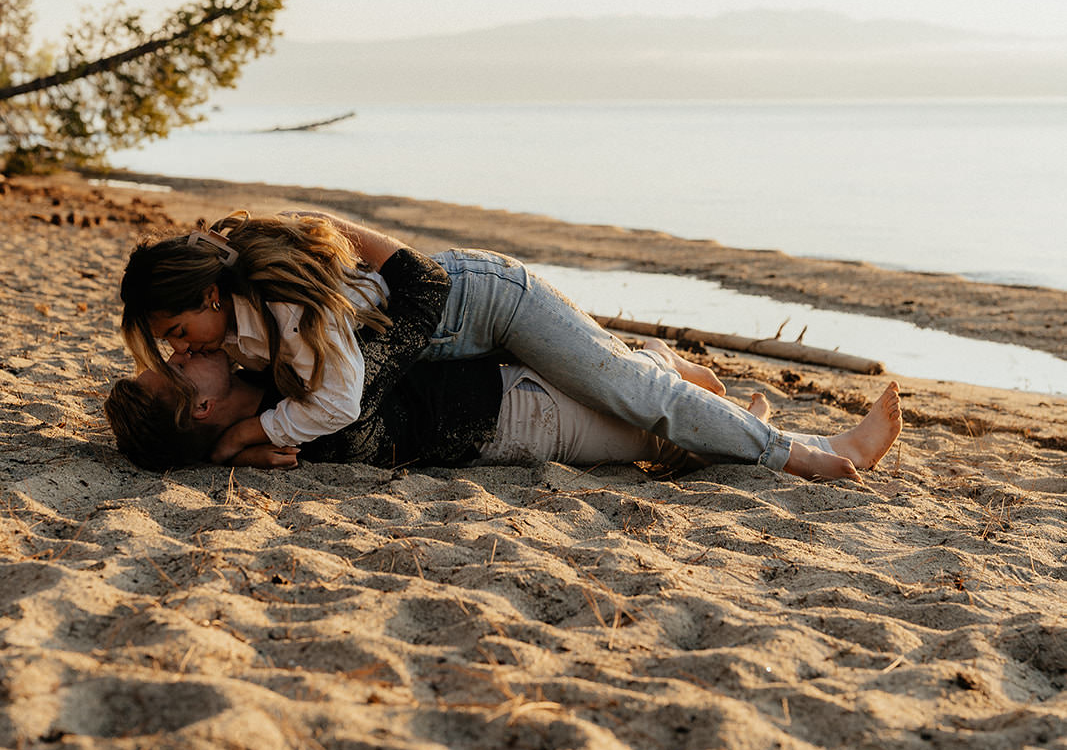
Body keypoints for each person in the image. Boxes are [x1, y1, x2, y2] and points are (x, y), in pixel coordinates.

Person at [115, 209, 902, 482]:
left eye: (179, 335)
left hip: (483, 303)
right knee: (624, 387)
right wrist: (234, 445)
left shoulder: (283, 311)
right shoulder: (245, 344)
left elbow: (339, 397)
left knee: (628, 390)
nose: (177, 352)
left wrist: (252, 433)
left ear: (211, 299)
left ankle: (811, 455)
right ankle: (692, 384)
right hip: (467, 342)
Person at [105, 339, 904, 480]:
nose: (177, 353)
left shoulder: (272, 388)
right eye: (171, 370)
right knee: (650, 417)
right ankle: (836, 449)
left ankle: (717, 404)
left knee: (650, 394)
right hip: (518, 424)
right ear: (201, 405)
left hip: (510, 392)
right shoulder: (291, 424)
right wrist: (231, 448)